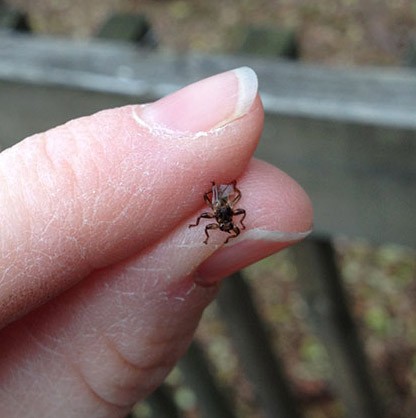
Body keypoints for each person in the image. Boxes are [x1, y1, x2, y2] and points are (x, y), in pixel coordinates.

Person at [0, 67, 312, 416]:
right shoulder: (218, 212)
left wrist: (221, 216)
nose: (226, 223)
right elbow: (217, 215)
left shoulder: (222, 213)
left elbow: (224, 214)